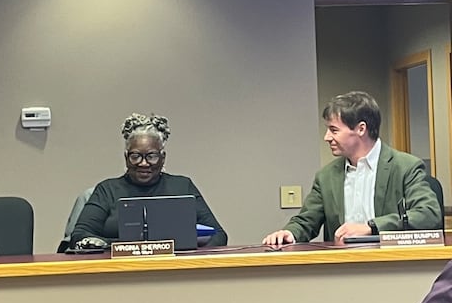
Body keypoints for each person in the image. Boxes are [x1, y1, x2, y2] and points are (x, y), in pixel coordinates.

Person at [263, 91, 441, 245]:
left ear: (361, 129)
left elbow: (428, 214)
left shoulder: (405, 167)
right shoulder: (326, 177)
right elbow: (306, 222)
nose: (326, 137)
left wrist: (371, 227)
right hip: (343, 270)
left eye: (334, 130)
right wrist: (289, 233)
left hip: (393, 267)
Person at [70, 113, 228, 248]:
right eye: (135, 156)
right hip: (119, 271)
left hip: (175, 270)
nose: (143, 163)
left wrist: (193, 258)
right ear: (126, 158)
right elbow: (79, 234)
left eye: (151, 156)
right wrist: (117, 247)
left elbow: (219, 235)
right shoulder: (107, 189)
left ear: (162, 158)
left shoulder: (182, 186)